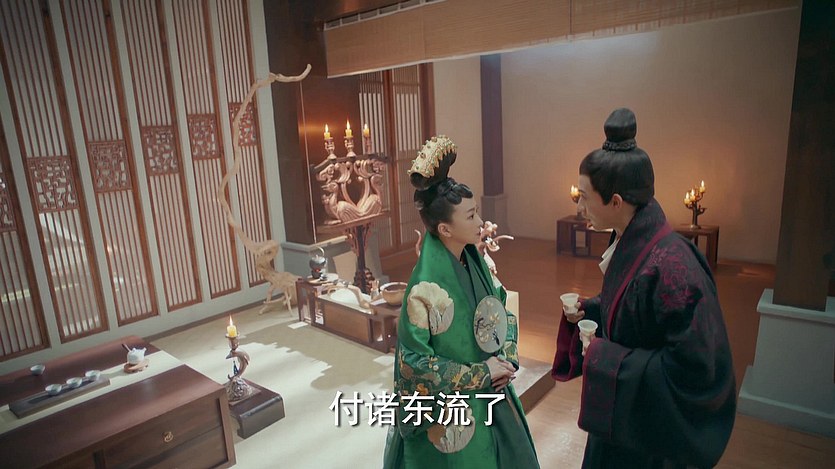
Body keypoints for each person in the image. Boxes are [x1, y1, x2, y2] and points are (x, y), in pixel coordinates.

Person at [552, 109, 736, 468]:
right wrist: (592, 310)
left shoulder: (675, 269)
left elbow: (695, 373)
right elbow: (634, 309)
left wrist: (605, 358)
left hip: (650, 439)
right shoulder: (633, 239)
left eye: (585, 197)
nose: (579, 205)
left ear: (616, 202)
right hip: (624, 425)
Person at [383, 136, 539, 469]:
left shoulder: (474, 259)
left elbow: (501, 309)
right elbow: (413, 367)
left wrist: (507, 358)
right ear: (445, 229)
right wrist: (481, 373)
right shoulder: (423, 289)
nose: (480, 223)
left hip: (492, 389)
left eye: (476, 212)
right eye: (470, 216)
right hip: (451, 411)